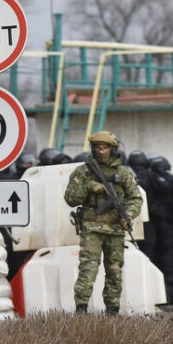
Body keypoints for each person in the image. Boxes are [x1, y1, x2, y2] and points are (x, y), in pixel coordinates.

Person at [63, 131, 143, 314]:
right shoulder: (84, 171)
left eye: (105, 147)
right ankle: (81, 308)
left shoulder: (123, 173)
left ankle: (112, 309)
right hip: (91, 227)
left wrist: (128, 215)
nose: (101, 151)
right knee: (88, 268)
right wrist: (88, 187)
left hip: (115, 228)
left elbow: (135, 199)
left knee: (114, 271)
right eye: (98, 147)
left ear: (112, 149)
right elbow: (70, 198)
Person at [147, 154, 173, 276]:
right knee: (168, 254)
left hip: (151, 226)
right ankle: (169, 286)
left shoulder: (147, 180)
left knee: (152, 254)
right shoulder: (172, 180)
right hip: (169, 226)